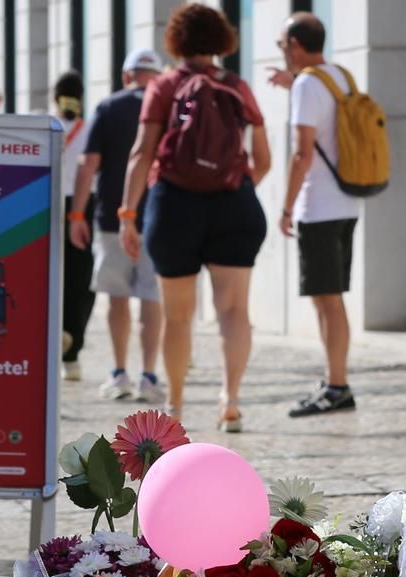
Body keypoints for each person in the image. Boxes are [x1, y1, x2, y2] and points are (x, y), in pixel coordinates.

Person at [118, 3, 271, 430]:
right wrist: (234, 186)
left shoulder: (165, 85)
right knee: (234, 310)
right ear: (222, 39)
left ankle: (176, 405)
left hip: (174, 205)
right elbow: (263, 157)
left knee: (178, 314)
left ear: (177, 40)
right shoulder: (237, 86)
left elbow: (141, 152)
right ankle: (231, 399)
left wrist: (128, 213)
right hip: (234, 204)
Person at [269, 13, 358, 418]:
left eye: (282, 45)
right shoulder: (338, 76)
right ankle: (333, 380)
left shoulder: (308, 84)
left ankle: (337, 385)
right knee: (330, 298)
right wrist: (294, 86)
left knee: (328, 300)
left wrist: (286, 207)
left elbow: (302, 153)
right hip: (345, 203)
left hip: (318, 206)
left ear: (295, 46)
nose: (282, 53)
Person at [72, 48, 165, 403]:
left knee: (118, 297)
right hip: (156, 217)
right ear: (157, 77)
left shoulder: (109, 107)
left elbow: (87, 163)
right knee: (152, 298)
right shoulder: (166, 107)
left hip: (112, 216)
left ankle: (119, 372)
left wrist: (77, 214)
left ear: (127, 76)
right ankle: (150, 375)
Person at [56, 72, 93, 383]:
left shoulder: (49, 128)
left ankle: (56, 340)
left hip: (51, 205)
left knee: (54, 278)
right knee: (81, 282)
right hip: (85, 207)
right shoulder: (90, 129)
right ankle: (72, 350)